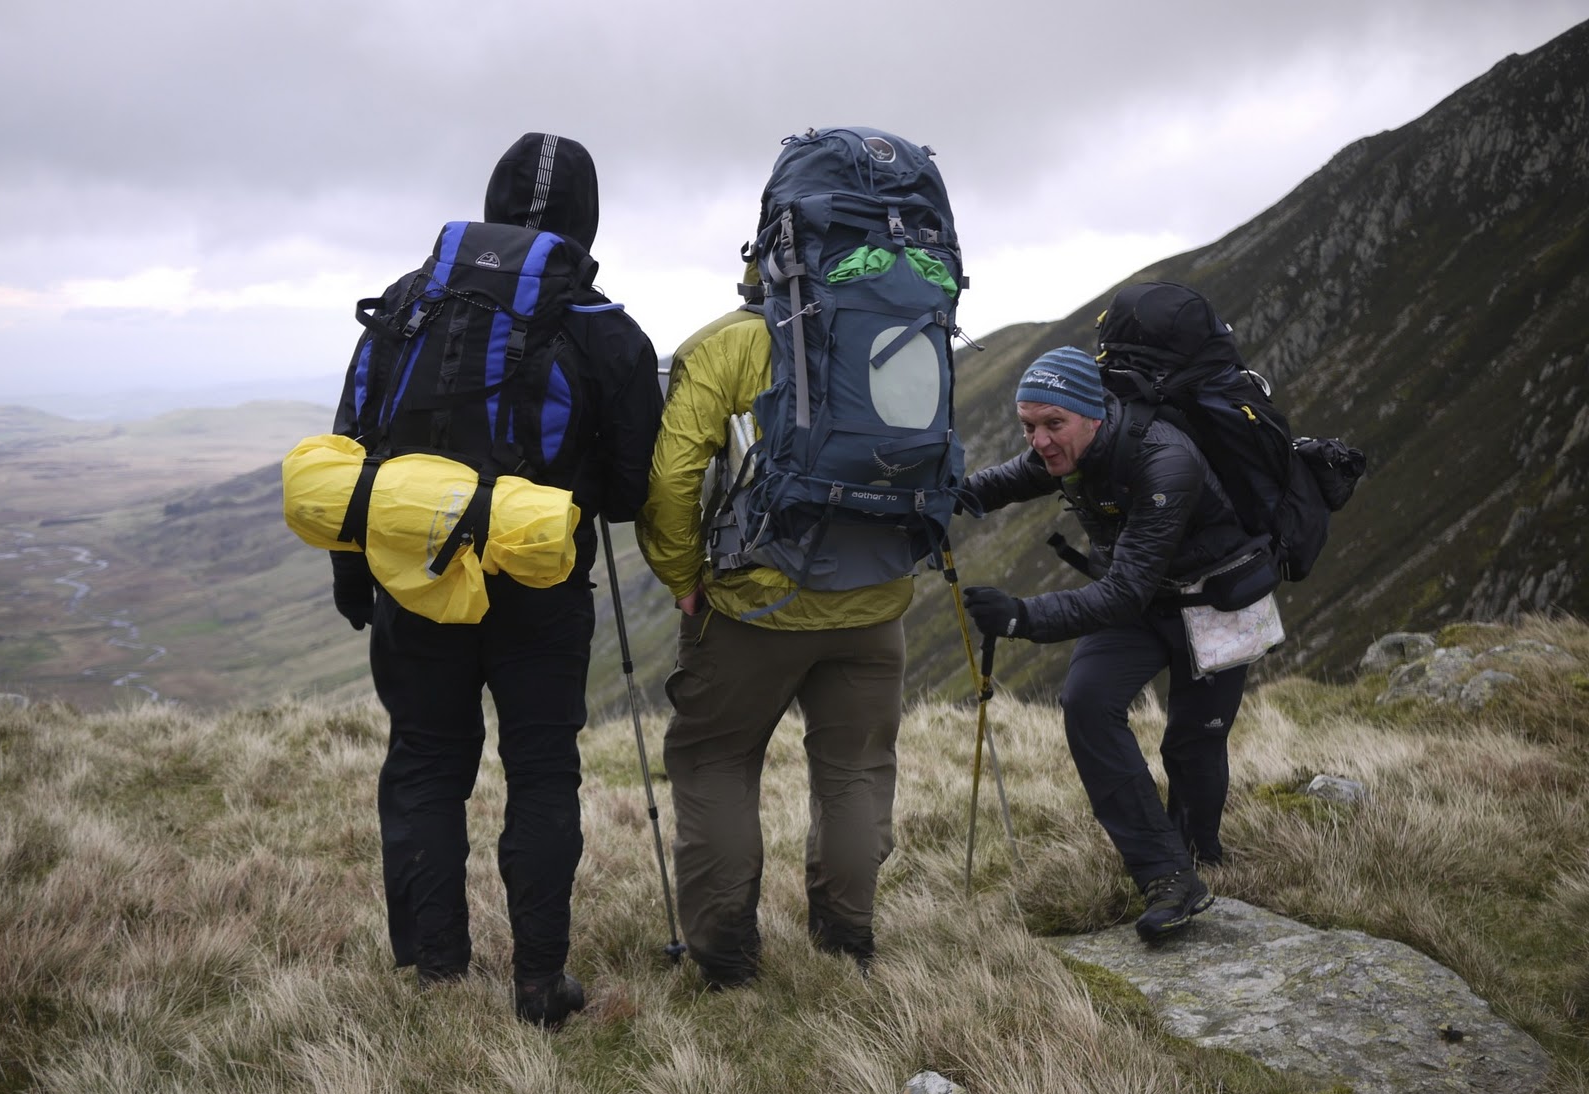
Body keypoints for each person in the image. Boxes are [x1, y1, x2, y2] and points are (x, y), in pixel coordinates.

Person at [329, 133, 664, 1026]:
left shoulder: (410, 305)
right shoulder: (609, 334)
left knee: (427, 765)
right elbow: (631, 494)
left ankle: (436, 969)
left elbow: (354, 445)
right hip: (542, 587)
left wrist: (352, 568)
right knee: (543, 773)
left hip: (414, 575)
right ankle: (538, 984)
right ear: (586, 221)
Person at [636, 288, 910, 988]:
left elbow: (672, 477)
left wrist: (680, 574)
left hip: (754, 602)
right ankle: (847, 942)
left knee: (717, 762)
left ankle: (727, 960)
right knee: (854, 769)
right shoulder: (903, 324)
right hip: (873, 600)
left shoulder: (726, 343)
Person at [961, 345, 1253, 939]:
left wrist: (1019, 616)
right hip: (1143, 597)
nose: (1039, 441)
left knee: (1193, 744)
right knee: (1089, 702)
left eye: (1052, 425)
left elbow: (1123, 594)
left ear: (1094, 414)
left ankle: (1200, 855)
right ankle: (1168, 875)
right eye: (1028, 426)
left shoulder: (1165, 462)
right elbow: (995, 485)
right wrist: (924, 499)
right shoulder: (1068, 451)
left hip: (1214, 601)